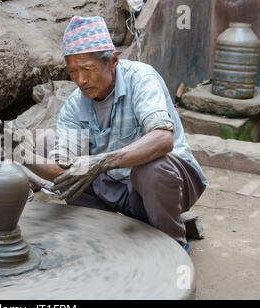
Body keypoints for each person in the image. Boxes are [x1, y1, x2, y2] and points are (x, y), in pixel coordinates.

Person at [25, 16, 208, 252]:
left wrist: (100, 162)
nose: (80, 80)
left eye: (88, 69)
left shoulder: (140, 79)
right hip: (117, 189)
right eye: (73, 71)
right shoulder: (74, 105)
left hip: (170, 183)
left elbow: (163, 139)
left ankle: (172, 247)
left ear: (113, 61)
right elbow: (66, 172)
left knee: (152, 168)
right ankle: (106, 227)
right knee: (47, 144)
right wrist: (22, 156)